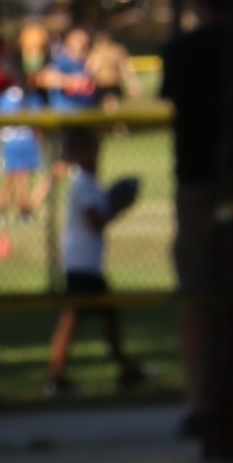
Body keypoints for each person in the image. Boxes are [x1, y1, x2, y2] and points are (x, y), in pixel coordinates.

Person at [161, 0, 229, 433]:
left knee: (197, 297)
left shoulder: (181, 52)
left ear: (201, 0)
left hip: (198, 184)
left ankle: (199, 400)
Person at [47, 123, 146, 397]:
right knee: (72, 319)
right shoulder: (83, 183)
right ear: (78, 153)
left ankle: (126, 370)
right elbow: (95, 222)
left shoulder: (89, 182)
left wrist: (114, 201)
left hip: (87, 262)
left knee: (108, 317)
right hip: (82, 263)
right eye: (90, 149)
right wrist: (120, 206)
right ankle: (55, 377)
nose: (97, 154)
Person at [0, 81, 45, 260]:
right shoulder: (32, 98)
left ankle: (2, 215)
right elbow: (38, 127)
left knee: (10, 180)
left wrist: (0, 147)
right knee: (21, 179)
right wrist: (39, 145)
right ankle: (21, 214)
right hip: (24, 142)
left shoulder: (2, 98)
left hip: (9, 143)